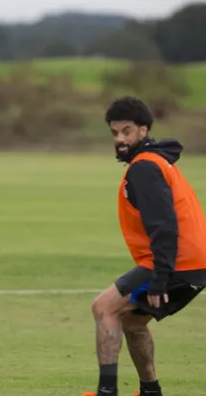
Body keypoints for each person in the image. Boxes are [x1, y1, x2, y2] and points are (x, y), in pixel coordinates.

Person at [85, 96, 206, 396]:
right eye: (114, 133)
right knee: (133, 321)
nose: (120, 139)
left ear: (143, 130)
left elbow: (165, 227)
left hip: (178, 262)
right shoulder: (155, 160)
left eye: (127, 131)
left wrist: (160, 280)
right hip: (190, 260)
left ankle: (107, 392)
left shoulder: (145, 168)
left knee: (103, 308)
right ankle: (150, 391)